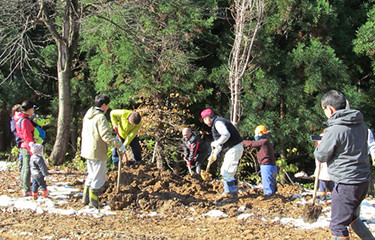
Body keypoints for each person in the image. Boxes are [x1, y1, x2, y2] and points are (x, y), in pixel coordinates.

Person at [314, 90, 374, 240]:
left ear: (330, 109)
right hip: (362, 180)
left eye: (324, 109)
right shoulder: (361, 125)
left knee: (338, 226)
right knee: (353, 218)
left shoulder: (334, 130)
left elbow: (321, 155)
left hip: (346, 183)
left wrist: (320, 145)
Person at [81, 94, 122, 208]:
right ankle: (94, 203)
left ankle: (86, 199)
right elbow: (106, 136)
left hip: (88, 149)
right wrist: (119, 145)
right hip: (97, 150)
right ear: (104, 105)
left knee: (91, 175)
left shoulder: (88, 115)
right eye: (108, 105)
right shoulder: (100, 117)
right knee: (98, 177)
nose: (108, 108)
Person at [200, 108, 244, 200]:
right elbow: (221, 143)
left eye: (204, 120)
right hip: (232, 148)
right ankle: (227, 191)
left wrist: (216, 143)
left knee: (227, 171)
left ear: (207, 118)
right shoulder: (217, 123)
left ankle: (233, 195)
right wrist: (214, 154)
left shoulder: (218, 123)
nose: (205, 122)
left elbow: (226, 135)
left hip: (234, 148)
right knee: (225, 171)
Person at [243, 125, 277, 196]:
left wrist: (240, 142)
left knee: (268, 185)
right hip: (272, 166)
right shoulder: (267, 142)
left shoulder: (263, 142)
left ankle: (270, 197)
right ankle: (273, 195)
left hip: (266, 166)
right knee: (272, 184)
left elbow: (251, 144)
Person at [14, 100, 36, 196]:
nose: (34, 110)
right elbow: (27, 136)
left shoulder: (22, 118)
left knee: (24, 166)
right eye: (33, 108)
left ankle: (24, 184)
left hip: (23, 145)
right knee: (27, 167)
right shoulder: (25, 121)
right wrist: (31, 147)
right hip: (26, 146)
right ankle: (27, 189)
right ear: (29, 109)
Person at [10, 104, 23, 172]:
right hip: (19, 139)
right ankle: (21, 166)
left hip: (20, 138)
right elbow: (13, 129)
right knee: (22, 153)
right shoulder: (14, 119)